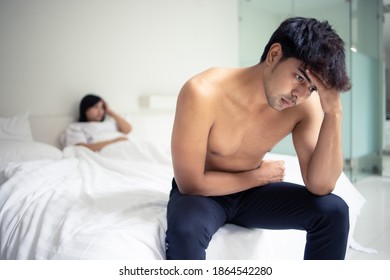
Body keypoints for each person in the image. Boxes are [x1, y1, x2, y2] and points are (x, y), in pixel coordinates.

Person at [165, 17, 352, 260]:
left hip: (251, 196)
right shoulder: (203, 92)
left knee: (334, 211)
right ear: (274, 55)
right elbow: (190, 184)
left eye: (312, 88)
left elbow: (321, 185)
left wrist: (334, 113)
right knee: (186, 232)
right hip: (203, 196)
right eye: (299, 77)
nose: (301, 95)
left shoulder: (304, 106)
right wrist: (257, 176)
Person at [62, 94, 132, 151]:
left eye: (102, 107)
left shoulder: (109, 123)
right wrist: (115, 141)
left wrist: (109, 111)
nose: (100, 111)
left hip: (127, 147)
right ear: (85, 109)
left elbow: (127, 130)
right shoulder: (76, 127)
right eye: (96, 107)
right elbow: (81, 148)